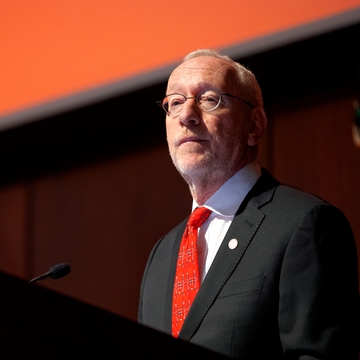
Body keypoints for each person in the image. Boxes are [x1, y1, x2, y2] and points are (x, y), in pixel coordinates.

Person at [138, 49, 359, 359]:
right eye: (174, 103)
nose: (186, 115)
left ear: (254, 125)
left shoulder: (304, 225)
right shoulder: (161, 256)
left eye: (209, 99)